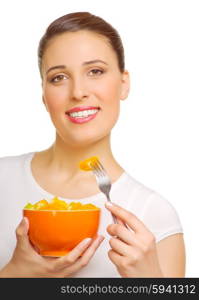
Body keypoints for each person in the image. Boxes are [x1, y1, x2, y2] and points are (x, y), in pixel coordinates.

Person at [0, 12, 185, 278]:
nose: (77, 92)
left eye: (95, 71)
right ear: (44, 94)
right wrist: (14, 276)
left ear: (123, 84)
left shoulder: (154, 214)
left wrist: (150, 284)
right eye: (59, 78)